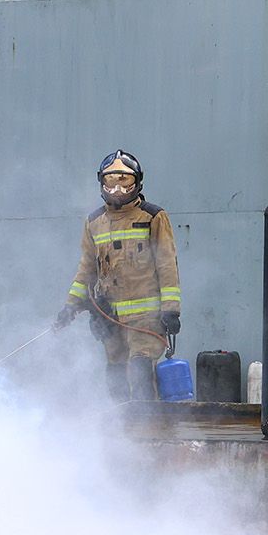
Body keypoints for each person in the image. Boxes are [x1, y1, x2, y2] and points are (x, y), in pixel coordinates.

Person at [53, 150, 181, 400]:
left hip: (146, 318)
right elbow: (86, 269)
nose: (118, 190)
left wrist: (171, 310)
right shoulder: (94, 222)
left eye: (125, 181)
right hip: (110, 315)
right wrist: (70, 308)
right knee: (116, 372)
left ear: (138, 182)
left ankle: (150, 431)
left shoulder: (153, 217)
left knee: (141, 371)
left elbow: (167, 265)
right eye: (111, 182)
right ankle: (122, 434)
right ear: (101, 182)